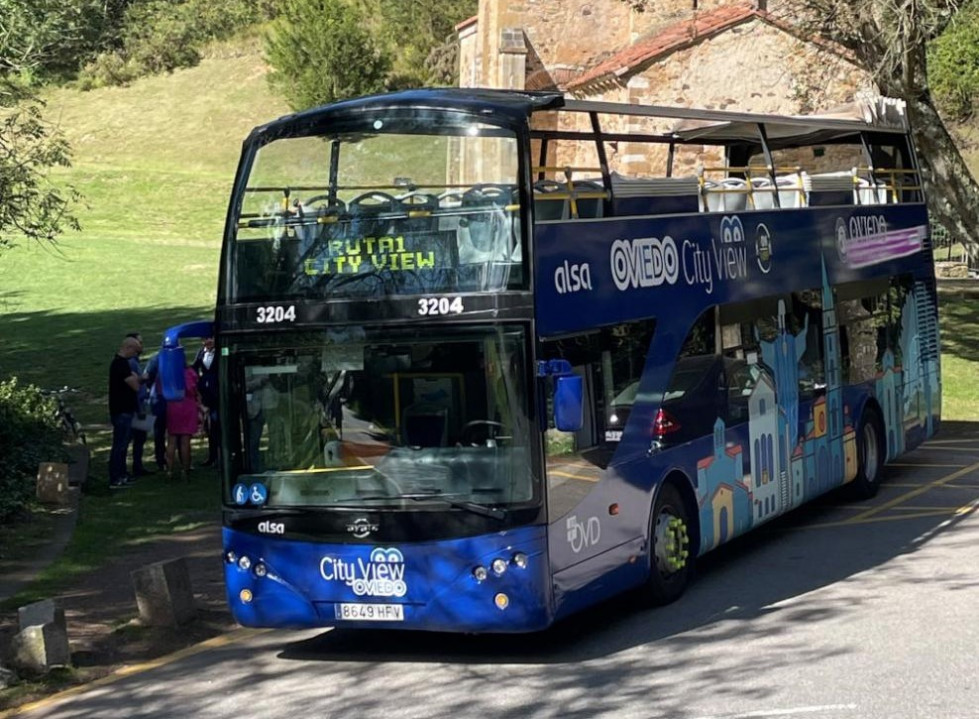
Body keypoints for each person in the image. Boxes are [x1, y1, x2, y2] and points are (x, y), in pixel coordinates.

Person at [108, 336, 142, 489]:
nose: (135, 355)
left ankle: (122, 474)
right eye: (134, 351)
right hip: (122, 411)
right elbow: (136, 386)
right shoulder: (120, 364)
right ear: (127, 348)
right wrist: (136, 378)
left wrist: (135, 377)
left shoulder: (122, 364)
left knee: (124, 444)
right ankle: (115, 477)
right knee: (120, 445)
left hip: (126, 410)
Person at [166, 359, 201, 480]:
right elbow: (193, 389)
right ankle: (185, 470)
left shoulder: (169, 372)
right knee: (185, 442)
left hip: (172, 406)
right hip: (187, 406)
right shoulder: (190, 373)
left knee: (171, 441)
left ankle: (169, 470)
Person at [126, 332, 153, 477]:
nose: (142, 346)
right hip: (137, 406)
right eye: (139, 343)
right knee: (133, 437)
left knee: (140, 438)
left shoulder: (136, 361)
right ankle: (133, 467)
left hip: (141, 403)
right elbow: (134, 385)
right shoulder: (131, 363)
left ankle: (138, 466)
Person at [193, 336, 219, 467]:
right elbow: (194, 369)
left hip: (218, 393)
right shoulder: (200, 352)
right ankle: (212, 456)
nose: (207, 342)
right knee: (209, 427)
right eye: (204, 339)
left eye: (210, 339)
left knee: (218, 425)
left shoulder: (220, 351)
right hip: (206, 395)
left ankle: (221, 455)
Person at [142, 352, 169, 470]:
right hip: (171, 399)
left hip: (157, 398)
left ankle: (160, 459)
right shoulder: (178, 357)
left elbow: (147, 377)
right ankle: (179, 458)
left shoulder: (155, 359)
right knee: (175, 431)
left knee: (159, 431)